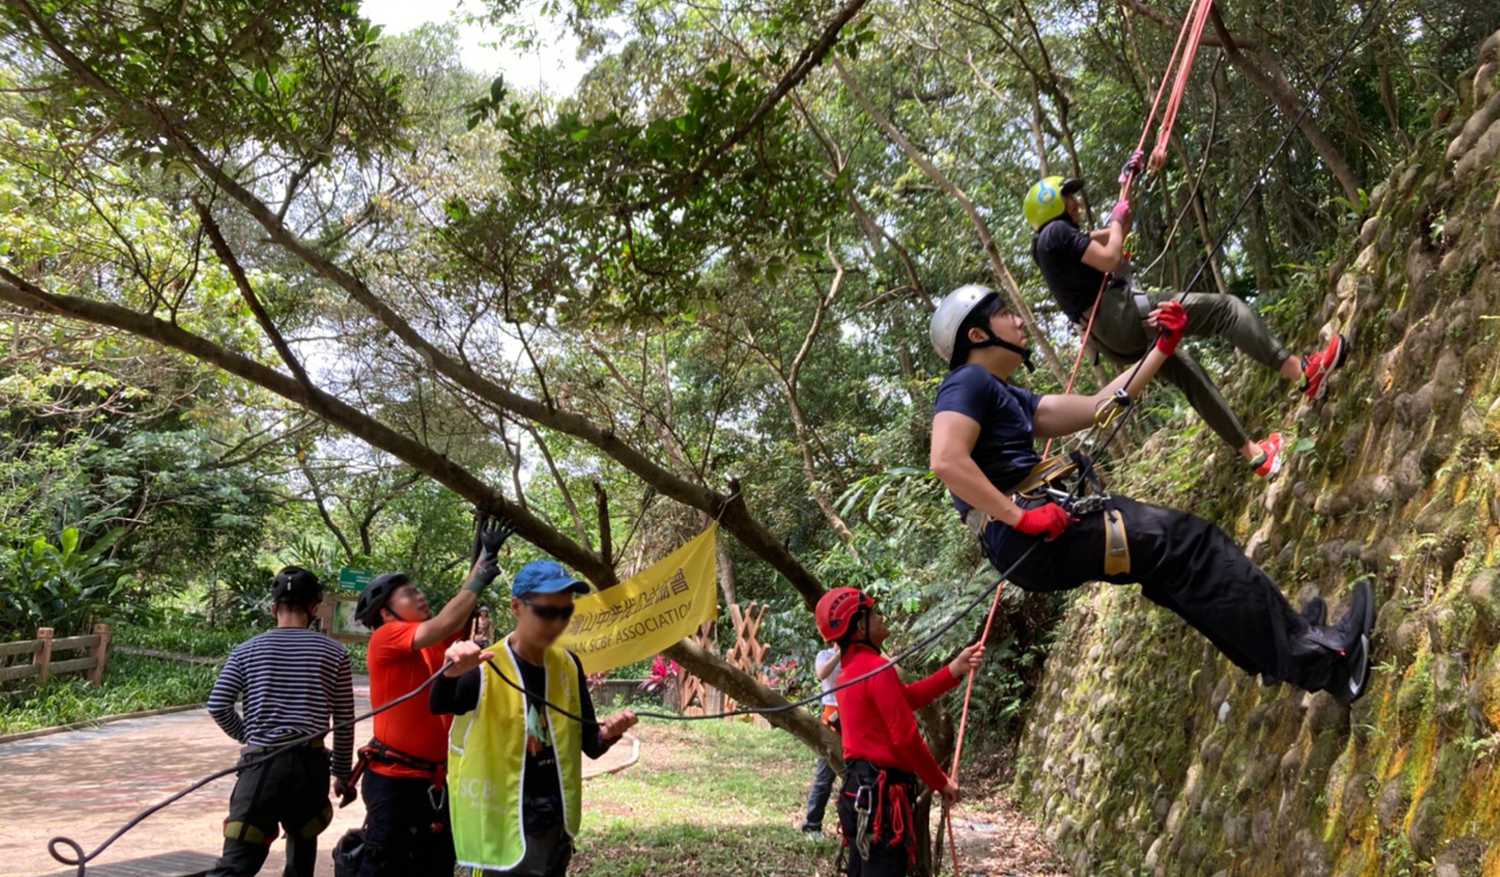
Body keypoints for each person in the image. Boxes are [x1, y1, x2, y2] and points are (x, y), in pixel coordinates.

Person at [926, 284, 1374, 708]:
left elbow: (1098, 407)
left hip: (1032, 533)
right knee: (1191, 546)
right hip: (1029, 530)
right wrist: (1019, 517)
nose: (1018, 321)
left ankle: (1286, 646)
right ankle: (1325, 661)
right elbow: (946, 459)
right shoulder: (966, 382)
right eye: (1005, 313)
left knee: (1174, 571)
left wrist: (1161, 347)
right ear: (978, 334)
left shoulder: (1003, 393)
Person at [1024, 173, 1348, 479]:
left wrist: (1126, 188)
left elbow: (1112, 234)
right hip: (1121, 315)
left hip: (1110, 339)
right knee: (1226, 310)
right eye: (1069, 198)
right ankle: (1305, 372)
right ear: (1052, 203)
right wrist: (1116, 222)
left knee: (1190, 374)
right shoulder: (1056, 232)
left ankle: (1256, 456)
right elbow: (1111, 256)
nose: (1076, 203)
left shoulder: (1047, 246)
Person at [431, 558, 639, 876]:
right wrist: (450, 674)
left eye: (565, 611)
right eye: (546, 611)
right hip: (501, 826)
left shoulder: (569, 665)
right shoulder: (484, 666)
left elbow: (590, 745)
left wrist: (610, 734)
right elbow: (440, 703)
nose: (557, 622)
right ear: (516, 607)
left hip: (554, 825)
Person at [350, 515, 515, 877]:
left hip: (433, 781)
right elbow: (445, 622)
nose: (419, 595)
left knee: (435, 864)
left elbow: (453, 614)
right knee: (384, 865)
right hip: (394, 779)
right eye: (409, 594)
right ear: (385, 612)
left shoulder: (429, 643)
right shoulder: (386, 638)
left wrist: (483, 556)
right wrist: (482, 573)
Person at [818, 587, 985, 877]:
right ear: (860, 626)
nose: (881, 617)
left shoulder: (849, 673)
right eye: (874, 614)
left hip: (858, 794)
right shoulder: (876, 669)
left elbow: (904, 697)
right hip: (882, 804)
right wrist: (940, 782)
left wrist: (953, 670)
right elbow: (905, 737)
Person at [206, 566, 355, 877]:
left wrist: (251, 736)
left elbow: (218, 704)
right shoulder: (335, 652)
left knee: (236, 863)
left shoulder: (246, 651)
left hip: (261, 766)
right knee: (301, 854)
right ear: (314, 608)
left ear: (272, 607)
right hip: (309, 767)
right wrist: (342, 773)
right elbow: (343, 720)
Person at [799, 645, 841, 838]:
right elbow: (822, 673)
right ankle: (812, 825)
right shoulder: (825, 655)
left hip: (855, 714)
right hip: (832, 714)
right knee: (825, 774)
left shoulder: (859, 654)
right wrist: (841, 653)